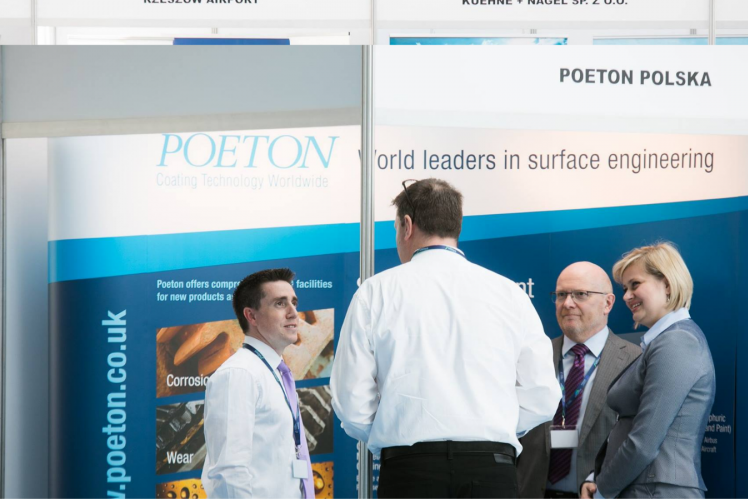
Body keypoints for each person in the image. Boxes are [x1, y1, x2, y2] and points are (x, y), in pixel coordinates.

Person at [331, 178, 561, 499]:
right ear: (457, 224)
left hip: (410, 468)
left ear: (407, 226)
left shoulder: (375, 292)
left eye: (395, 228)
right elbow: (542, 396)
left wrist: (396, 428)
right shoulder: (510, 293)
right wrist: (493, 427)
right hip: (492, 467)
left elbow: (351, 402)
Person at [580, 242, 715, 499]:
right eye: (624, 288)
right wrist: (597, 478)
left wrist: (602, 491)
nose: (626, 296)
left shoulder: (677, 341)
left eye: (635, 284)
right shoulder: (664, 341)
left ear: (667, 284)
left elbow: (645, 440)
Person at [517, 262, 641, 499]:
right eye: (561, 295)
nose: (567, 303)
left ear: (608, 303)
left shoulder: (635, 361)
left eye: (580, 294)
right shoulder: (533, 355)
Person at [201, 268, 314, 499]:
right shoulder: (238, 375)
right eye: (280, 304)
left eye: (294, 302)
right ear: (251, 316)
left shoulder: (275, 373)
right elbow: (229, 473)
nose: (294, 313)